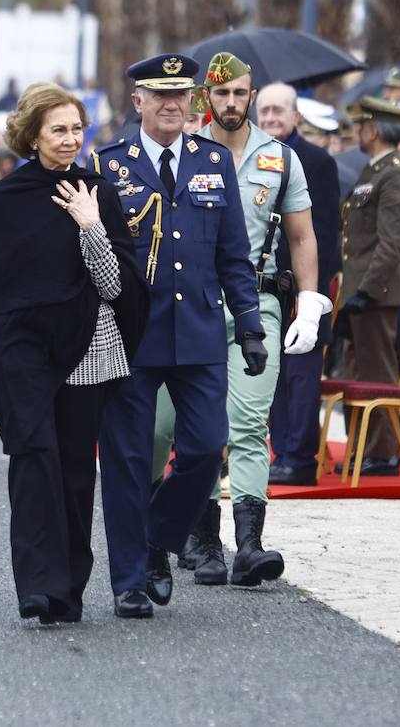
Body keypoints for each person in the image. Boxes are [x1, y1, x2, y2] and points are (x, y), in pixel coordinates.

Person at [0, 83, 148, 624]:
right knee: (33, 459)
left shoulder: (100, 193)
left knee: (77, 472)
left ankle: (69, 592)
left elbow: (114, 286)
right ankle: (39, 586)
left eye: (77, 129)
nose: (70, 139)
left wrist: (91, 225)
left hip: (88, 351)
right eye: (58, 129)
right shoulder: (9, 196)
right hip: (22, 353)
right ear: (33, 135)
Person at [91, 53, 267, 619]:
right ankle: (129, 582)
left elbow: (233, 255)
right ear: (137, 102)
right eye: (158, 96)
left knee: (204, 445)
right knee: (128, 458)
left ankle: (156, 537)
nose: (172, 104)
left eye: (181, 95)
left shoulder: (213, 160)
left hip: (197, 334)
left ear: (194, 101)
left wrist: (250, 325)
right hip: (133, 337)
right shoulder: (107, 165)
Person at [149, 54, 327, 586]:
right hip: (192, 305)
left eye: (240, 93)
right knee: (179, 428)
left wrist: (310, 303)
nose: (232, 102)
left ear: (252, 97)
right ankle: (200, 540)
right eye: (221, 93)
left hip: (258, 302)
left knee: (249, 422)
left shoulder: (280, 159)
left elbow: (301, 236)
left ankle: (248, 542)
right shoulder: (187, 152)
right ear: (207, 96)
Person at [258, 83, 341, 487]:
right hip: (264, 287)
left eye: (279, 111)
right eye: (266, 111)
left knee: (301, 376)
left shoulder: (316, 161)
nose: (271, 118)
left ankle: (300, 457)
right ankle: (282, 451)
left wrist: (309, 294)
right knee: (273, 376)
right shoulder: (254, 157)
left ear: (296, 116)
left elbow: (321, 235)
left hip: (302, 288)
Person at [338, 97, 400, 475]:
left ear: (372, 130)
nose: (356, 132)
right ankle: (363, 448)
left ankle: (383, 452)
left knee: (377, 372)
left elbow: (392, 242)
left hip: (377, 291)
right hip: (360, 290)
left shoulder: (395, 174)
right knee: (357, 372)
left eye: (360, 126)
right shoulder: (374, 171)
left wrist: (366, 290)